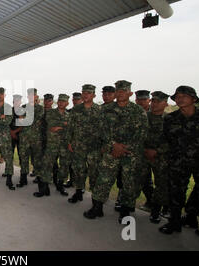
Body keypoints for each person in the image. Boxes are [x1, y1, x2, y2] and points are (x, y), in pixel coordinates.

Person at [84, 80, 148, 223]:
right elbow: (100, 130)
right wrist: (114, 145)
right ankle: (97, 208)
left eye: (123, 91)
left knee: (128, 182)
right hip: (110, 152)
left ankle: (125, 211)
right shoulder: (105, 110)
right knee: (103, 179)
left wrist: (124, 147)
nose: (120, 94)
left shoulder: (138, 111)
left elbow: (142, 134)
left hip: (130, 154)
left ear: (130, 93)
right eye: (118, 91)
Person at [159, 86, 199, 235]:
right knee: (176, 194)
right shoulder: (171, 118)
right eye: (177, 96)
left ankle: (192, 218)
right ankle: (175, 223)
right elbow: (164, 141)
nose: (180, 98)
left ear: (193, 99)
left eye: (184, 96)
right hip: (177, 163)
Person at [66, 85, 102, 203]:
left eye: (89, 93)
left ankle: (96, 201)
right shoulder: (76, 109)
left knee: (94, 173)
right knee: (78, 170)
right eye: (84, 92)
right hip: (78, 146)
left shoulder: (99, 110)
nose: (86, 95)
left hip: (94, 148)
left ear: (94, 95)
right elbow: (70, 127)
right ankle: (78, 192)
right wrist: (69, 142)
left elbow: (104, 130)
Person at [143, 91, 170, 224]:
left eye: (158, 101)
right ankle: (149, 202)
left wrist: (157, 151)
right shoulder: (143, 117)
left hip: (160, 157)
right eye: (153, 101)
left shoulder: (169, 119)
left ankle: (156, 211)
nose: (154, 104)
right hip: (142, 154)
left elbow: (172, 140)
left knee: (161, 184)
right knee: (142, 180)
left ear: (165, 103)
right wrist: (144, 149)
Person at [39, 93, 70, 197]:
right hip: (52, 144)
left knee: (64, 166)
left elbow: (70, 128)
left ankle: (60, 185)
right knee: (47, 165)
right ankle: (44, 188)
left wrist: (61, 126)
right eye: (60, 101)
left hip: (64, 145)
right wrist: (64, 125)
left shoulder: (68, 115)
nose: (61, 103)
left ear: (67, 103)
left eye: (63, 101)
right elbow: (52, 125)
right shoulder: (51, 113)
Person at [19, 88, 45, 186]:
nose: (31, 97)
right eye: (29, 95)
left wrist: (26, 118)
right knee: (23, 158)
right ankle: (23, 179)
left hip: (36, 138)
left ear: (36, 97)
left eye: (33, 95)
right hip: (24, 138)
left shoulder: (40, 108)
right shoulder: (23, 107)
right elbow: (20, 120)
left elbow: (35, 120)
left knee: (37, 159)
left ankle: (39, 178)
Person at [135, 89, 154, 210]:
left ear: (149, 100)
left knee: (163, 181)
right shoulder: (133, 115)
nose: (141, 102)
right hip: (139, 152)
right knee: (144, 179)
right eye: (139, 100)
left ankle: (164, 207)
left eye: (144, 100)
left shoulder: (157, 114)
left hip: (156, 153)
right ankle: (150, 202)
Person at [64, 92, 83, 188]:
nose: (75, 101)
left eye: (77, 99)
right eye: (74, 99)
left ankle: (81, 186)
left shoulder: (86, 111)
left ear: (81, 100)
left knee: (82, 166)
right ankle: (71, 180)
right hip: (71, 142)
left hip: (83, 144)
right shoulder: (69, 111)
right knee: (71, 163)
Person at [10, 94, 23, 180]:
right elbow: (5, 122)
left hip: (20, 135)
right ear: (13, 101)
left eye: (18, 101)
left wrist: (15, 132)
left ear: (20, 102)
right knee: (9, 154)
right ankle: (9, 172)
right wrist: (11, 132)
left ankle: (23, 174)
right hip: (10, 134)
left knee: (21, 154)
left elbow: (24, 124)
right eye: (15, 101)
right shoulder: (9, 110)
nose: (16, 102)